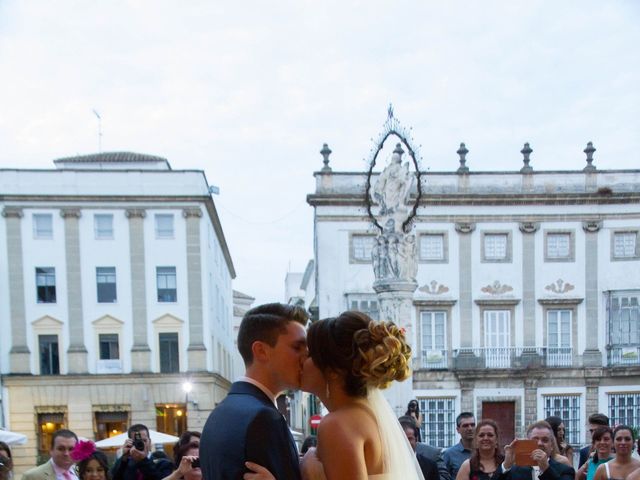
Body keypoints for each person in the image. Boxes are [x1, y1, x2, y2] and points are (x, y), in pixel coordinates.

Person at [246, 310, 424, 479]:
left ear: (332, 371)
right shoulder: (369, 418)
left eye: (309, 354)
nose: (301, 360)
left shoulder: (337, 424)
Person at [200, 303, 308, 480]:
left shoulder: (218, 413)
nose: (306, 357)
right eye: (297, 347)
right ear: (261, 351)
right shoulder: (264, 418)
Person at [502, 421, 574, 480]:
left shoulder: (566, 470)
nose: (539, 443)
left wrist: (546, 469)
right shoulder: (515, 471)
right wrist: (506, 465)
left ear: (551, 446)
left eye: (545, 440)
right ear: (528, 443)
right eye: (535, 440)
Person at [442, 413, 476, 479]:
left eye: (472, 425)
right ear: (458, 430)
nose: (470, 428)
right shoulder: (449, 454)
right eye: (465, 426)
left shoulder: (483, 452)